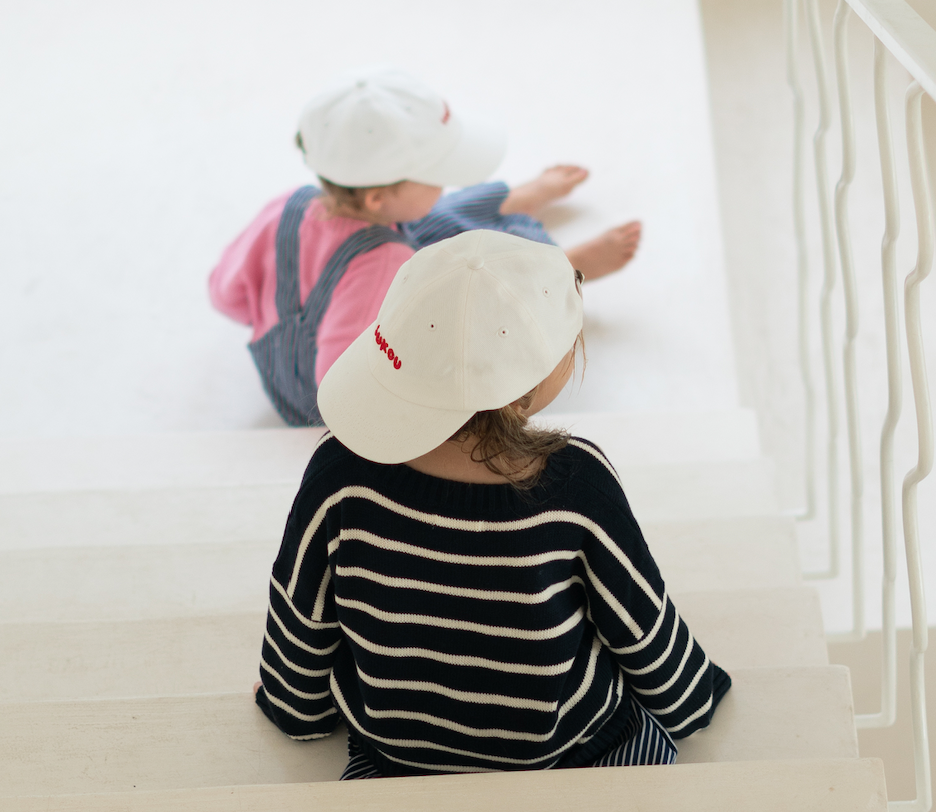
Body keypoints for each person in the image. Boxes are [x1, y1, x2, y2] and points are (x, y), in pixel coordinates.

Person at [254, 229, 730, 778]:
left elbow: (300, 615)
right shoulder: (578, 486)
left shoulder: (339, 471)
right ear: (525, 383)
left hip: (398, 759)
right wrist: (693, 704)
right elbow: (642, 625)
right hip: (567, 753)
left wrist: (294, 713)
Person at [209, 69, 641, 426]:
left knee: (432, 215)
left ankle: (517, 199)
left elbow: (225, 295)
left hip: (282, 359)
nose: (446, 181)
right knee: (474, 277)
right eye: (437, 173)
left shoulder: (289, 203)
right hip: (311, 399)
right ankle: (563, 267)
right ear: (377, 198)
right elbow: (340, 384)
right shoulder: (383, 265)